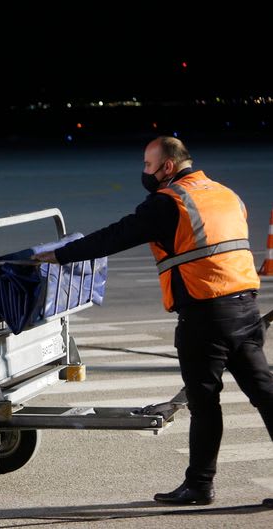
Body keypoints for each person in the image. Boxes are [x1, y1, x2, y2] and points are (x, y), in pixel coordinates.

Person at [34, 136, 272, 505]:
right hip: (245, 308)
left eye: (148, 165)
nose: (144, 172)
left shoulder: (170, 202)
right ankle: (199, 483)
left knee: (204, 402)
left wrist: (60, 255)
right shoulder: (226, 194)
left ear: (167, 166)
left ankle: (200, 485)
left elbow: (116, 236)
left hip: (205, 315)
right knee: (265, 395)